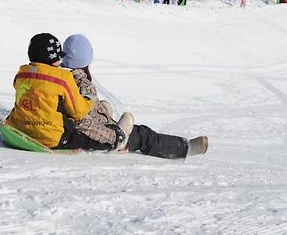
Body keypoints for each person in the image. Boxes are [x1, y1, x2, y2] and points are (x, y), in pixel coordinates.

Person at [60, 34, 208, 157]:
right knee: (143, 135)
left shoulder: (61, 78)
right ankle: (185, 148)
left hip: (85, 132)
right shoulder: (82, 84)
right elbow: (83, 120)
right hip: (97, 138)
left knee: (105, 106)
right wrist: (114, 137)